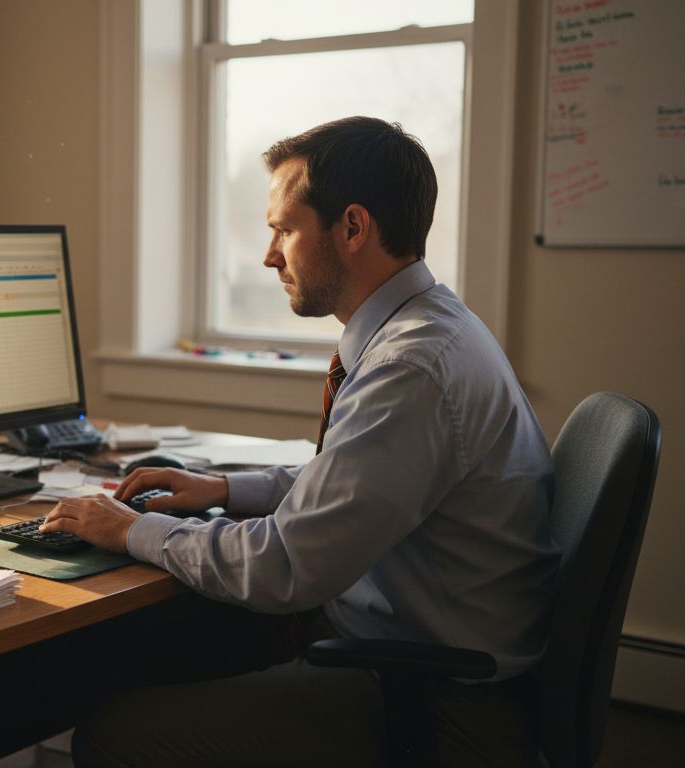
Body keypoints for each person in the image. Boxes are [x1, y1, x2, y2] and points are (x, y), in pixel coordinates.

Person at [41, 116, 558, 766]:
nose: (268, 255)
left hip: (437, 704)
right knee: (172, 645)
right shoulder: (427, 329)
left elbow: (287, 566)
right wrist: (227, 489)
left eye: (283, 229)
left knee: (115, 733)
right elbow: (357, 487)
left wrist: (127, 530)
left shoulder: (411, 368)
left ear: (351, 228)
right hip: (416, 653)